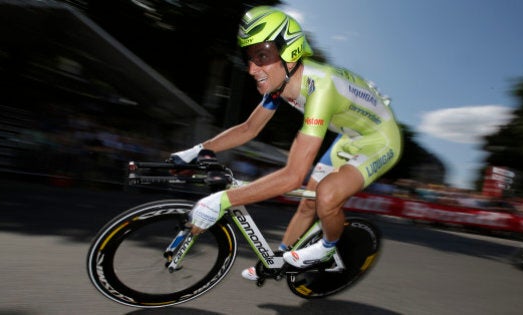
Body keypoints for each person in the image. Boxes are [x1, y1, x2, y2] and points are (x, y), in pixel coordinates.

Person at [170, 6, 402, 280]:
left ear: (290, 55)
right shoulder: (280, 85)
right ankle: (279, 259)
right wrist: (198, 150)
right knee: (307, 204)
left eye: (262, 57)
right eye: (251, 58)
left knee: (327, 195)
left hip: (380, 140)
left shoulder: (320, 89)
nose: (252, 69)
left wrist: (222, 200)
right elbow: (248, 129)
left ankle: (328, 248)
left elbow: (292, 176)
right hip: (349, 137)